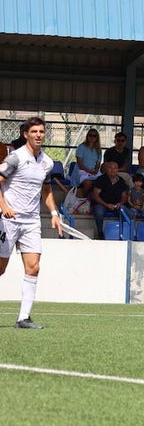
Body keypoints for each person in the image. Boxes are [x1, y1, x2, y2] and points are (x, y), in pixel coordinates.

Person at [0, 117, 63, 329]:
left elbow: (46, 189)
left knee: (34, 267)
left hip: (31, 221)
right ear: (25, 134)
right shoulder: (15, 158)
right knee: (0, 268)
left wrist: (54, 212)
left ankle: (23, 318)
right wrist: (4, 207)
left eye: (42, 131)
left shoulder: (47, 162)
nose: (38, 135)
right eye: (34, 131)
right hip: (8, 221)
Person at [90, 160, 130, 239]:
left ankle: (124, 232)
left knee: (124, 210)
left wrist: (120, 203)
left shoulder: (121, 181)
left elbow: (124, 196)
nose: (113, 170)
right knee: (99, 211)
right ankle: (100, 232)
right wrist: (106, 205)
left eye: (115, 168)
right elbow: (95, 196)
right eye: (110, 168)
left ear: (118, 170)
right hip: (102, 204)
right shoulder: (100, 179)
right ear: (106, 169)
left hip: (116, 205)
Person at [73, 128, 102, 196]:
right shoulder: (81, 147)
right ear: (87, 136)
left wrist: (96, 170)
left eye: (94, 136)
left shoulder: (98, 149)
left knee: (102, 182)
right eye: (90, 135)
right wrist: (89, 171)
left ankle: (95, 200)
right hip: (82, 172)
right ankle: (84, 199)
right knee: (88, 183)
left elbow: (98, 163)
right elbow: (79, 163)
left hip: (94, 172)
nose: (92, 137)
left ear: (97, 138)